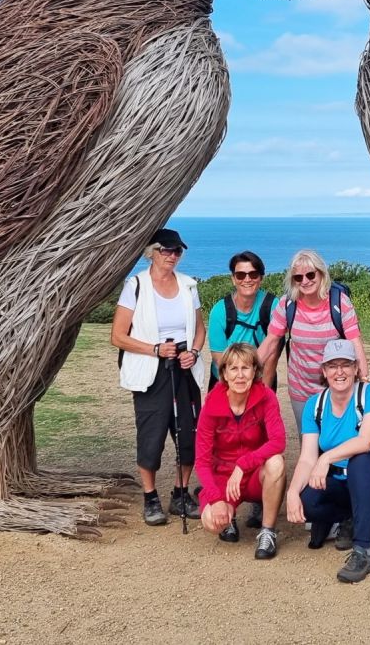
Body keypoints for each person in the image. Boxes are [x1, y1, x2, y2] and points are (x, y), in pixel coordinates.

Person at [110, 227, 206, 526]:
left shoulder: (189, 286)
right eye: (166, 250)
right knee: (151, 435)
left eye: (177, 251)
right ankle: (150, 497)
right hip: (151, 370)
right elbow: (118, 336)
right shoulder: (136, 285)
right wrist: (154, 349)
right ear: (152, 252)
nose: (172, 256)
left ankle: (180, 493)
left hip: (184, 368)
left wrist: (195, 351)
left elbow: (199, 328)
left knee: (189, 433)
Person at [285, 339, 370, 583]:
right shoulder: (315, 405)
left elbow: (366, 442)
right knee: (307, 503)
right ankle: (348, 516)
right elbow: (306, 458)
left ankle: (363, 551)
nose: (340, 372)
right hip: (340, 481)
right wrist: (292, 492)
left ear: (356, 368)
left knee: (359, 461)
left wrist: (327, 458)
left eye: (346, 365)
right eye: (332, 366)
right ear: (323, 371)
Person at [195, 343, 287, 559]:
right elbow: (202, 460)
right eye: (233, 369)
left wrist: (243, 464)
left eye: (245, 368)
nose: (240, 375)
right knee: (212, 522)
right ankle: (229, 517)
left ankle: (267, 531)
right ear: (224, 374)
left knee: (276, 462)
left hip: (253, 472)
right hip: (224, 477)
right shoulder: (211, 405)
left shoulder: (266, 397)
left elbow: (278, 441)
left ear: (255, 371)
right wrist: (216, 499)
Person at [259, 249, 369, 410]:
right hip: (300, 389)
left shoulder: (340, 302)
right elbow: (270, 341)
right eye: (298, 277)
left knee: (339, 435)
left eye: (310, 275)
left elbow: (355, 343)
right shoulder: (287, 304)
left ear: (321, 274)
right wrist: (246, 368)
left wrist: (364, 381)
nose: (305, 281)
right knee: (306, 435)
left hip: (337, 386)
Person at [207, 251, 277, 389]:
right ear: (233, 279)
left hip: (260, 378)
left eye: (253, 274)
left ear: (261, 278)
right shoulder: (220, 311)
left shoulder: (272, 306)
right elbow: (219, 358)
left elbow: (272, 354)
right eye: (240, 275)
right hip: (225, 380)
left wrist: (265, 393)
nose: (247, 279)